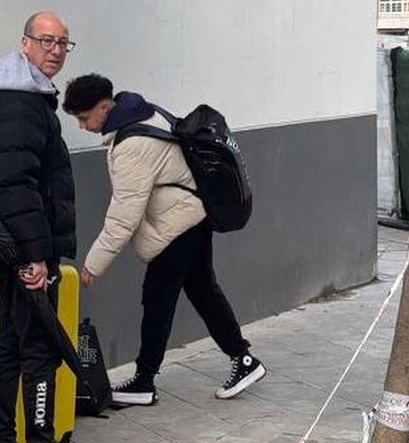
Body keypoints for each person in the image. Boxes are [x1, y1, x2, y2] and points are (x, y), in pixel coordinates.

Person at [0, 12, 104, 443]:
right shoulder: (19, 103)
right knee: (37, 349)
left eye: (64, 42)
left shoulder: (23, 96)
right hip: (23, 250)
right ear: (24, 43)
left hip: (14, 246)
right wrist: (34, 256)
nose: (56, 50)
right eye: (46, 40)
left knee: (8, 345)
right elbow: (14, 185)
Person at [61, 74, 265, 406]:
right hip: (190, 216)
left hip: (177, 224)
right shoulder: (141, 112)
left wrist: (94, 264)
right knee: (202, 291)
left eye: (84, 118)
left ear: (103, 106)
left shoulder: (131, 145)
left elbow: (124, 214)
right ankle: (243, 360)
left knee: (158, 299)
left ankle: (144, 381)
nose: (83, 126)